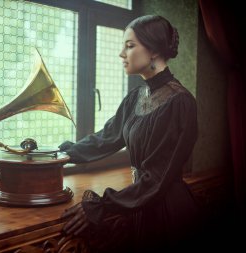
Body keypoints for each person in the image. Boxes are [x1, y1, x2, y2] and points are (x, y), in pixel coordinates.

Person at [59, 15, 201, 252]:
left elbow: (156, 179)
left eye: (130, 45)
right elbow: (108, 137)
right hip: (139, 206)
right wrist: (62, 154)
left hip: (169, 214)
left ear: (154, 50)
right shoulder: (136, 96)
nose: (121, 54)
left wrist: (101, 205)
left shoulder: (181, 103)